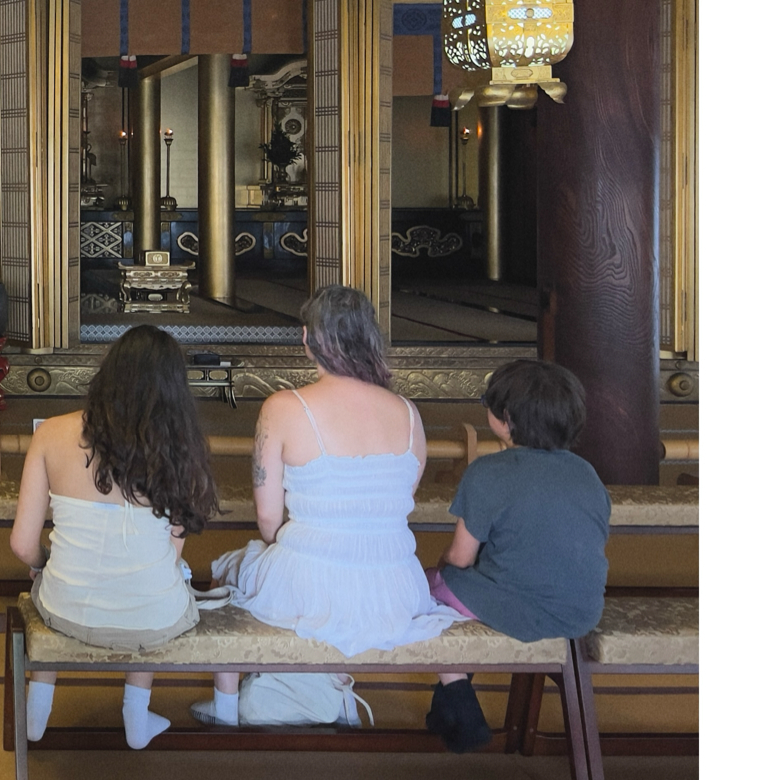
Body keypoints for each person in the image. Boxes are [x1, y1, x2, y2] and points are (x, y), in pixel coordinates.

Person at [196, 285, 460, 727]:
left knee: (229, 571)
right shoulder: (409, 413)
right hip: (395, 585)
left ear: (307, 339)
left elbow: (267, 517)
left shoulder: (283, 407)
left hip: (310, 573)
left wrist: (288, 549)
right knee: (287, 583)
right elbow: (402, 500)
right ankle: (325, 692)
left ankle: (228, 709)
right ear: (371, 337)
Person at [9, 325, 221, 749]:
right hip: (153, 617)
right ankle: (135, 714)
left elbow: (21, 543)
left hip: (66, 608)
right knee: (158, 577)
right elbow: (170, 552)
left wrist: (43, 564)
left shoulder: (51, 432)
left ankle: (36, 709)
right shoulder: (180, 449)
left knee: (52, 576)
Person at [424, 359, 611, 752]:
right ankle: (445, 706)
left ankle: (457, 695)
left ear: (505, 418)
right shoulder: (587, 473)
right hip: (581, 612)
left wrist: (439, 574)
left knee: (424, 588)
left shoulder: (489, 473)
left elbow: (459, 558)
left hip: (522, 610)